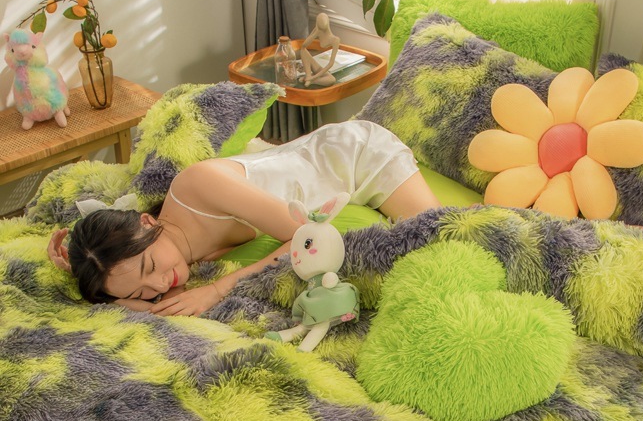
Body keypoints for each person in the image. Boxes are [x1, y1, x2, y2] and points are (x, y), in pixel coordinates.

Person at [47, 120, 440, 316]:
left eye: (150, 267)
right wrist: (90, 274)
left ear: (147, 224)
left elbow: (306, 238)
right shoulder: (164, 261)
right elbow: (137, 289)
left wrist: (216, 290)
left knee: (443, 231)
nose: (160, 285)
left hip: (352, 158)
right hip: (333, 180)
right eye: (139, 293)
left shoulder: (198, 185)